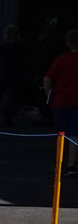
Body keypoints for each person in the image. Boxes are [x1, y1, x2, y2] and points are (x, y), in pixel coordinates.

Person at [48, 31, 78, 167]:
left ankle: (59, 162)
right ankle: (72, 164)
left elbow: (47, 78)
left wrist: (49, 94)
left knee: (61, 133)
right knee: (75, 133)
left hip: (61, 100)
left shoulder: (61, 60)